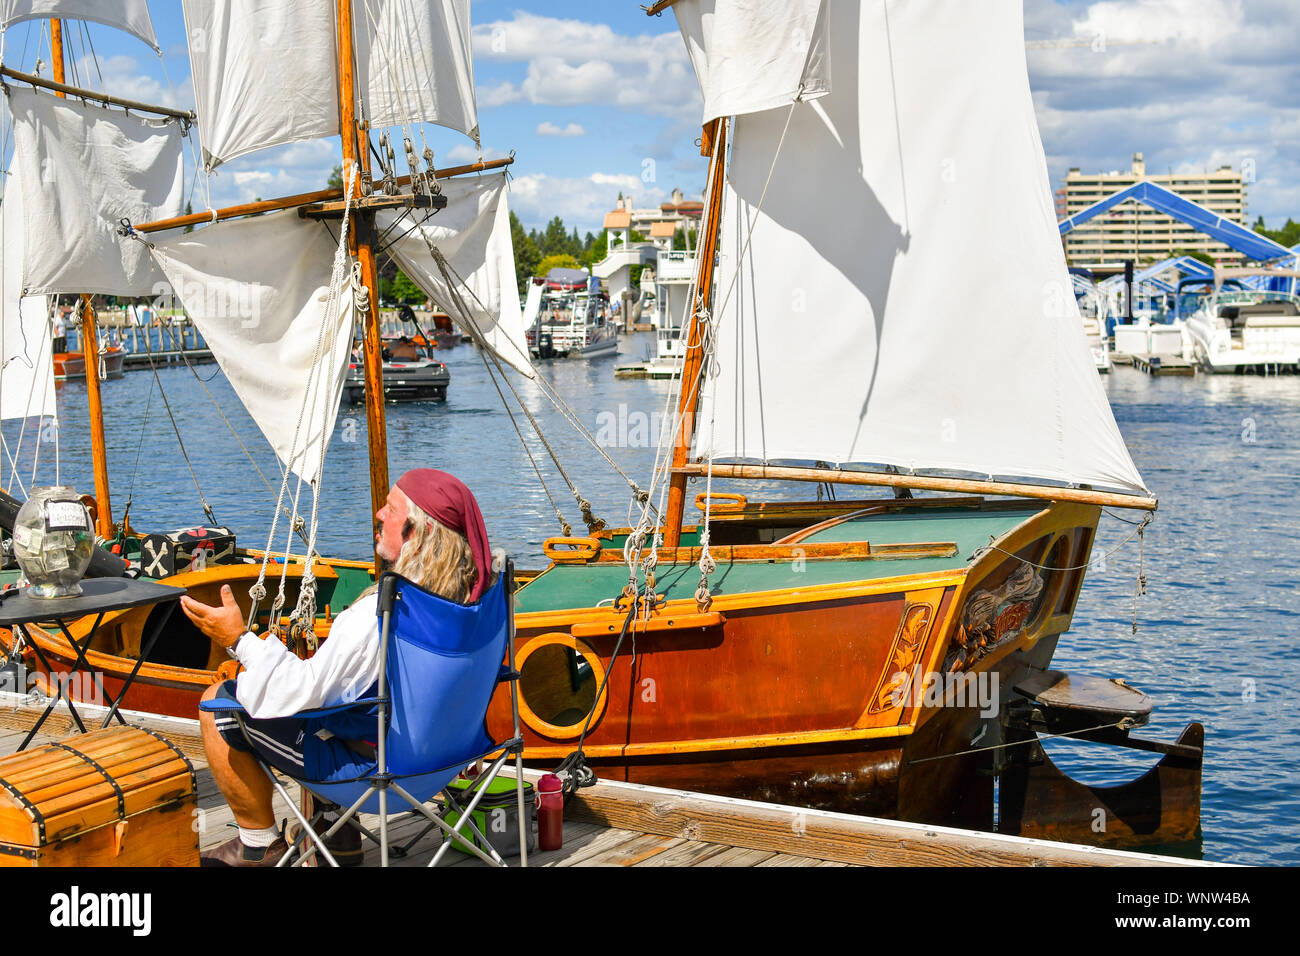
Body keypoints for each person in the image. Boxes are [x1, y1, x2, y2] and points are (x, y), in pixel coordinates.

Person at [182, 469, 494, 867]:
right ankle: (336, 832)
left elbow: (300, 690)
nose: (379, 514)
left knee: (220, 704)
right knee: (350, 700)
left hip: (378, 780)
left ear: (416, 532)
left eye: (391, 509)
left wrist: (238, 639)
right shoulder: (476, 605)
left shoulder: (379, 614)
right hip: (442, 766)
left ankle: (258, 847)